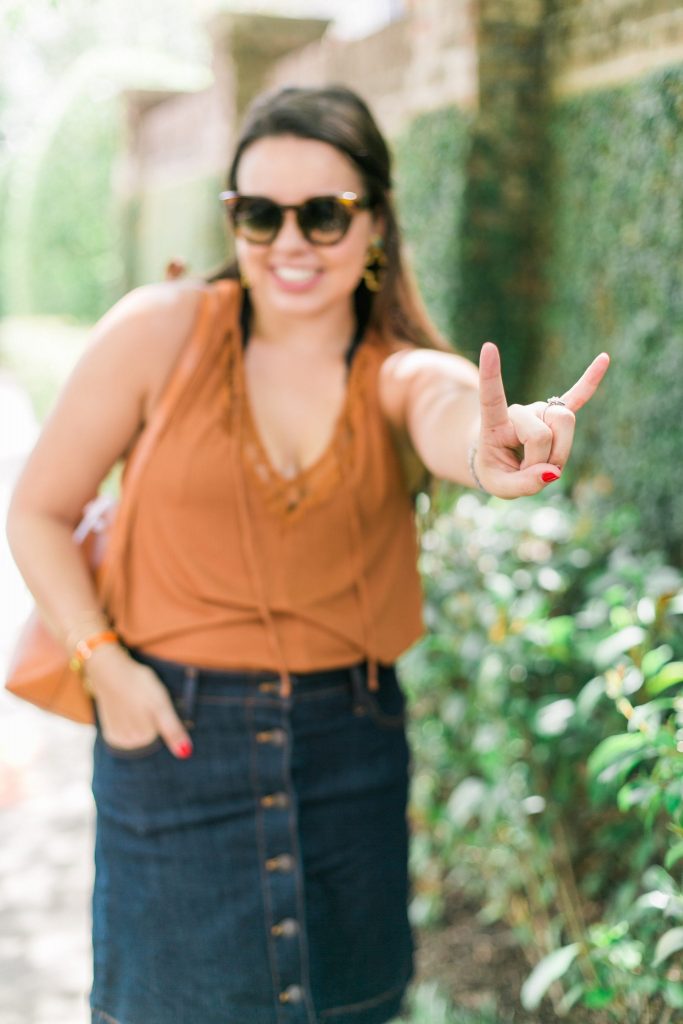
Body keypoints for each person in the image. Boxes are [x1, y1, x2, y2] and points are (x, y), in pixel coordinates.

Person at [6, 84, 608, 1024]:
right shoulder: (159, 331)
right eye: (257, 214)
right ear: (231, 217)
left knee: (350, 1007)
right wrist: (103, 665)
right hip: (173, 737)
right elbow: (38, 511)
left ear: (374, 224)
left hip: (349, 745)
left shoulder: (391, 369)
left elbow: (441, 400)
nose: (289, 243)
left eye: (323, 215)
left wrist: (493, 447)